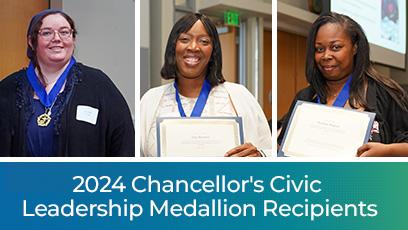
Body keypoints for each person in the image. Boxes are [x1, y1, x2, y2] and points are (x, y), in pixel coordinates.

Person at [0, 9, 134, 156]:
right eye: (47, 33)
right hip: (21, 178)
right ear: (31, 41)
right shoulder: (8, 89)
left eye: (64, 32)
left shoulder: (98, 85)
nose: (57, 38)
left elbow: (124, 144)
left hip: (79, 179)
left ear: (73, 39)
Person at [278, 12, 408, 157]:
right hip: (310, 178)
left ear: (355, 48)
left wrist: (388, 151)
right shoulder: (305, 97)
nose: (326, 56)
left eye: (336, 47)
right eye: (319, 49)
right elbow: (282, 147)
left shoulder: (385, 92)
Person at [140, 13, 271, 157]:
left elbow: (271, 153)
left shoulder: (240, 96)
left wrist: (260, 156)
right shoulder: (150, 100)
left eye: (204, 41)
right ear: (173, 46)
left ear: (213, 51)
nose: (194, 47)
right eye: (185, 39)